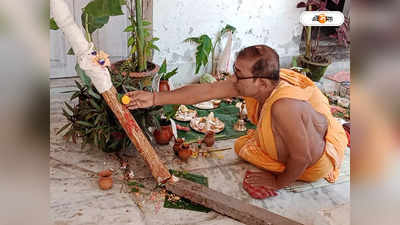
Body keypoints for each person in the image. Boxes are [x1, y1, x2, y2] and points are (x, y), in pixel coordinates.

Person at [125, 45, 348, 199]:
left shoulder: (284, 106)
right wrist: (154, 98)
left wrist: (278, 182)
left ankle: (292, 172)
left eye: (239, 74)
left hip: (313, 162)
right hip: (300, 139)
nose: (233, 78)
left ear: (261, 82)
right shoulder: (260, 85)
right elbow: (206, 90)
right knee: (242, 146)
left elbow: (303, 156)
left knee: (268, 152)